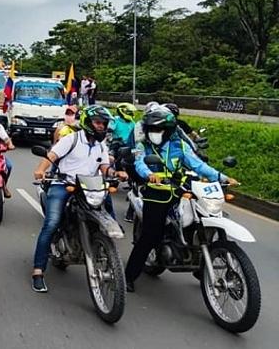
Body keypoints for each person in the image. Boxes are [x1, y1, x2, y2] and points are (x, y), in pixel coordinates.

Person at [124, 106, 238, 292]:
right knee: (150, 236)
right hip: (156, 194)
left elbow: (199, 165)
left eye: (158, 130)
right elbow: (139, 163)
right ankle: (129, 276)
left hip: (180, 191)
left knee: (200, 219)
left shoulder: (180, 146)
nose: (154, 133)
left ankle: (200, 264)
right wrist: (149, 175)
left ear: (168, 130)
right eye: (151, 129)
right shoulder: (142, 145)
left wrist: (222, 177)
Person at [30, 105, 126, 293]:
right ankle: (38, 271)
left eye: (104, 124)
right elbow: (51, 156)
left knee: (106, 201)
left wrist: (116, 173)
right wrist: (41, 170)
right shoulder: (71, 139)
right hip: (63, 183)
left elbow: (105, 167)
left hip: (89, 186)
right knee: (51, 223)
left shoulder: (101, 145)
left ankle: (108, 237)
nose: (101, 127)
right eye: (98, 123)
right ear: (88, 123)